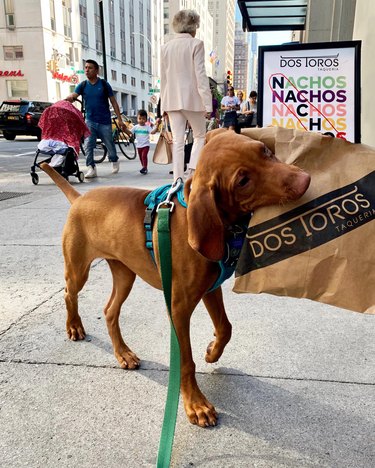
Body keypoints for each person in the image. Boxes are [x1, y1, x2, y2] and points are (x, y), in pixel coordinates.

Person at [160, 9, 212, 180]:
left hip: (171, 100)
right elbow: (200, 76)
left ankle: (177, 179)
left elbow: (164, 78)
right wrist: (208, 103)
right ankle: (192, 172)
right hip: (192, 100)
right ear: (192, 26)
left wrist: (163, 107)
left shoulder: (165, 47)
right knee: (199, 136)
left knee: (178, 141)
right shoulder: (196, 44)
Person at [66, 59, 126, 179]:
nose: (87, 70)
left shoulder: (104, 84)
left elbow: (113, 102)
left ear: (97, 70)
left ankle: (114, 160)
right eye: (86, 68)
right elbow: (74, 95)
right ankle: (91, 168)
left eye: (90, 68)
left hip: (104, 121)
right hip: (90, 120)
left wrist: (120, 119)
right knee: (88, 144)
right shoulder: (83, 85)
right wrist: (69, 98)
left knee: (109, 144)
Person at [126, 109, 159, 175]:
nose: (141, 120)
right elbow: (129, 132)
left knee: (144, 156)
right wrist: (124, 129)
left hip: (146, 145)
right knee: (141, 157)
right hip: (139, 146)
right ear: (137, 119)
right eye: (139, 118)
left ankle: (144, 167)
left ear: (146, 120)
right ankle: (144, 168)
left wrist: (157, 126)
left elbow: (152, 132)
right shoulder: (136, 127)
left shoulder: (147, 127)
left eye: (143, 119)